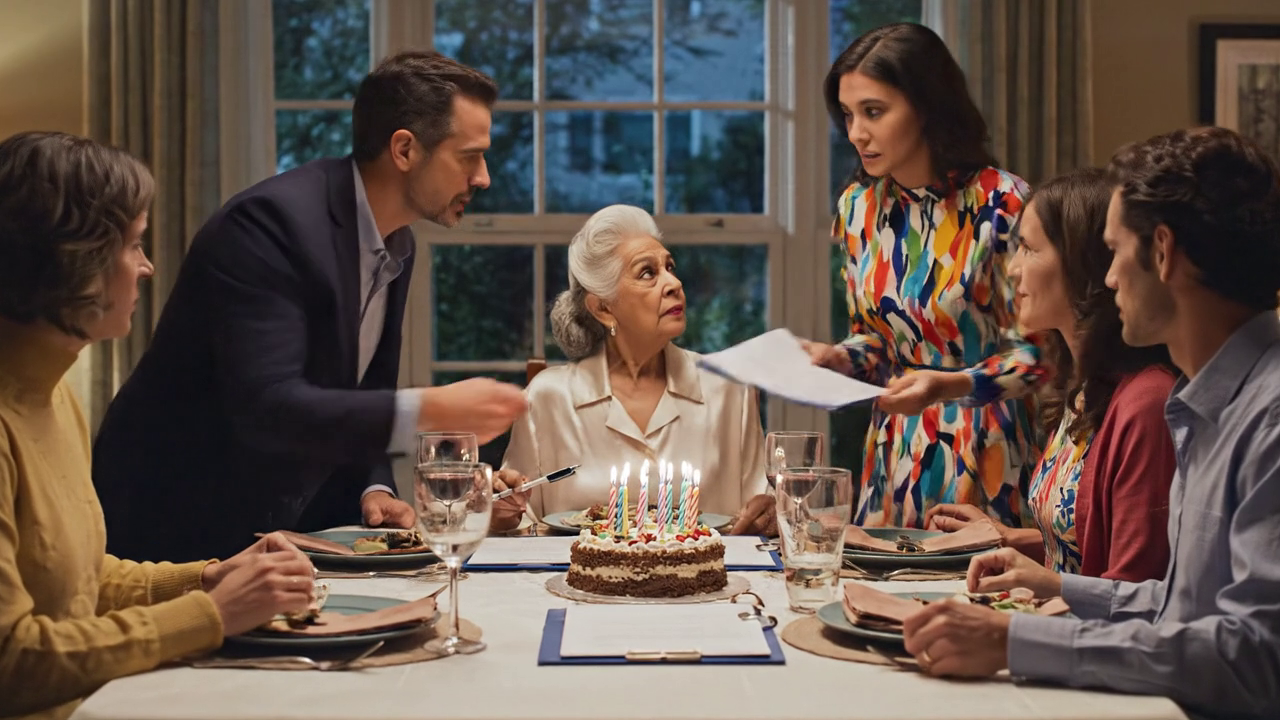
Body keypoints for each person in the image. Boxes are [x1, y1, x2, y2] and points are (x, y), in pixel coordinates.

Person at [901, 127, 1280, 720]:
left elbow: (1257, 657)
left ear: (1162, 252)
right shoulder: (1204, 404)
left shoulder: (1267, 419)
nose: (1106, 279)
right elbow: (1180, 608)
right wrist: (1057, 586)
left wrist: (1014, 641)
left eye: (1116, 251)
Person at [92, 50, 528, 563]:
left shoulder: (397, 243)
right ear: (405, 149)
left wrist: (374, 488)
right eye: (469, 156)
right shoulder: (269, 225)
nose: (483, 178)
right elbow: (268, 407)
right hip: (171, 521)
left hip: (282, 532)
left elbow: (364, 391)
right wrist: (427, 409)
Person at [0, 131, 319, 720]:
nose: (146, 268)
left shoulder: (57, 397)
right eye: (133, 245)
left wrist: (207, 578)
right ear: (76, 259)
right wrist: (213, 615)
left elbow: (83, 580)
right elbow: (13, 661)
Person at [802, 22, 1046, 529]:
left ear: (927, 107)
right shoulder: (858, 208)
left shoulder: (1001, 203)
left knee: (972, 600)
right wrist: (836, 358)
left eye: (873, 112)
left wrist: (950, 385)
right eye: (847, 115)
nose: (855, 134)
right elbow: (876, 341)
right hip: (893, 454)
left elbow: (1039, 356)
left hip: (987, 455)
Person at [923, 168, 1176, 582]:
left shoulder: (1146, 403)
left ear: (1083, 264)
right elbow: (1081, 549)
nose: (1014, 269)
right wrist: (1005, 538)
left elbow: (1132, 591)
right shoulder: (1083, 388)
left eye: (1028, 248)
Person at [492, 204, 771, 534]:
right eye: (648, 273)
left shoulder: (729, 389)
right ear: (603, 308)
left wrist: (768, 514)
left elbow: (759, 509)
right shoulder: (547, 397)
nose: (674, 283)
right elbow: (520, 525)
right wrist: (499, 513)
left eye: (670, 267)